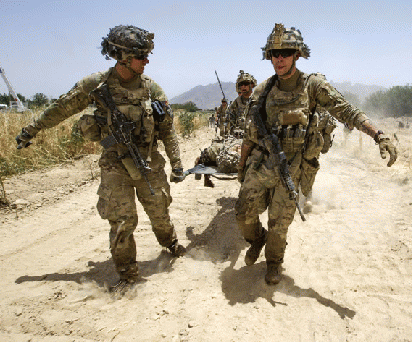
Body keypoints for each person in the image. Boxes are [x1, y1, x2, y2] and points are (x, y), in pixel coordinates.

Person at [15, 25, 186, 293]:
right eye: (141, 55)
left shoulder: (152, 89)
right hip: (115, 163)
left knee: (159, 212)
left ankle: (170, 242)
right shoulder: (96, 85)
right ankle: (128, 274)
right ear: (123, 57)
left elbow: (167, 129)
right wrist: (30, 130)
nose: (147, 61)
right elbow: (60, 109)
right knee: (122, 221)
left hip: (148, 162)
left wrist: (176, 164)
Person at [235, 23, 397, 285]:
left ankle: (274, 262)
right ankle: (256, 239)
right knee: (243, 213)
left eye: (286, 52)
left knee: (280, 222)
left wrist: (378, 134)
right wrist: (242, 168)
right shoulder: (261, 91)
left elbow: (347, 111)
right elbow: (249, 135)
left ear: (297, 55)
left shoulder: (312, 86)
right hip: (263, 163)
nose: (279, 58)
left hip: (293, 165)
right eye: (274, 53)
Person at [226, 70, 257, 136]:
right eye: (241, 85)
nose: (243, 87)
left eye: (246, 84)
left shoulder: (259, 100)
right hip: (240, 137)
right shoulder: (236, 103)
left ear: (251, 85)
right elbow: (230, 120)